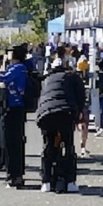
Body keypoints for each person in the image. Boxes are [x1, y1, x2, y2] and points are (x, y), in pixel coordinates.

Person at [36, 51, 84, 193]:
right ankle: (70, 182)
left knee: (48, 146)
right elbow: (80, 97)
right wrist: (78, 115)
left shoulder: (46, 79)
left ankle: (46, 181)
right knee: (68, 146)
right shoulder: (72, 77)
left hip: (46, 114)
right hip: (65, 112)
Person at [0, 44, 31, 189]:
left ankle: (15, 174)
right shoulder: (15, 68)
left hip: (14, 107)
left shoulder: (18, 68)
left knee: (13, 141)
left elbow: (2, 78)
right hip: (10, 106)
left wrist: (3, 64)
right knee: (10, 141)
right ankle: (13, 173)